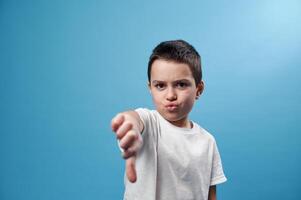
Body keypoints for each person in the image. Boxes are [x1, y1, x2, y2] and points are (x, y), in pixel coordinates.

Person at [111, 40, 227, 200]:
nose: (170, 95)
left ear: (198, 89)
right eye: (160, 86)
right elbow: (134, 118)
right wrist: (129, 126)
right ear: (150, 88)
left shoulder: (208, 142)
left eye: (181, 84)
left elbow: (210, 194)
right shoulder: (149, 123)